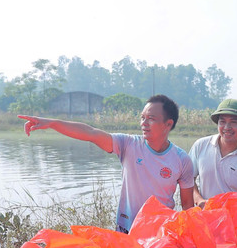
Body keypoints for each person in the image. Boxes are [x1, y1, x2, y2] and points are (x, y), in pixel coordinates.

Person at [19, 94, 194, 234]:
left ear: (168, 124)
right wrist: (51, 123)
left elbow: (187, 206)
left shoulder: (181, 159)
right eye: (142, 118)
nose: (143, 123)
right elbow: (91, 133)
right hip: (127, 229)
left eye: (151, 119)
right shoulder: (129, 145)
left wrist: (186, 236)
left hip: (160, 234)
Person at [188, 99, 237, 208]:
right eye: (222, 122)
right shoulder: (201, 146)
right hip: (204, 218)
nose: (227, 127)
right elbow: (187, 179)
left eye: (234, 122)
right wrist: (199, 200)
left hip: (233, 221)